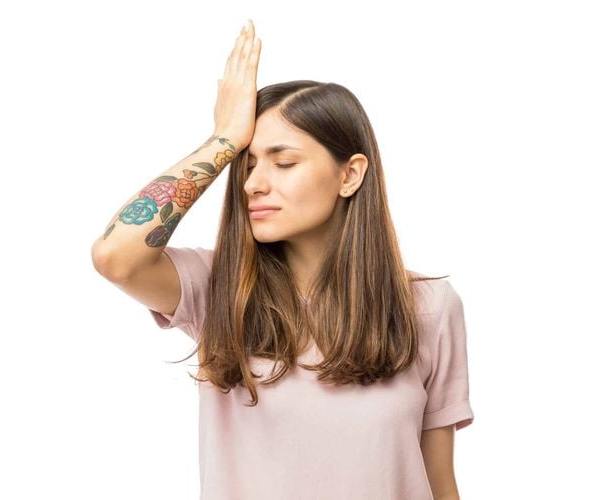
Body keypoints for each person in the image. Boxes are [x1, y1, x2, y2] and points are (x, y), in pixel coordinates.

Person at [91, 18, 474, 500]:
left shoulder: (431, 306)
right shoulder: (217, 288)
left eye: (284, 162)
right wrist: (223, 140)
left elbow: (440, 484)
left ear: (350, 175)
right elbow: (115, 255)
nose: (253, 183)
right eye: (247, 166)